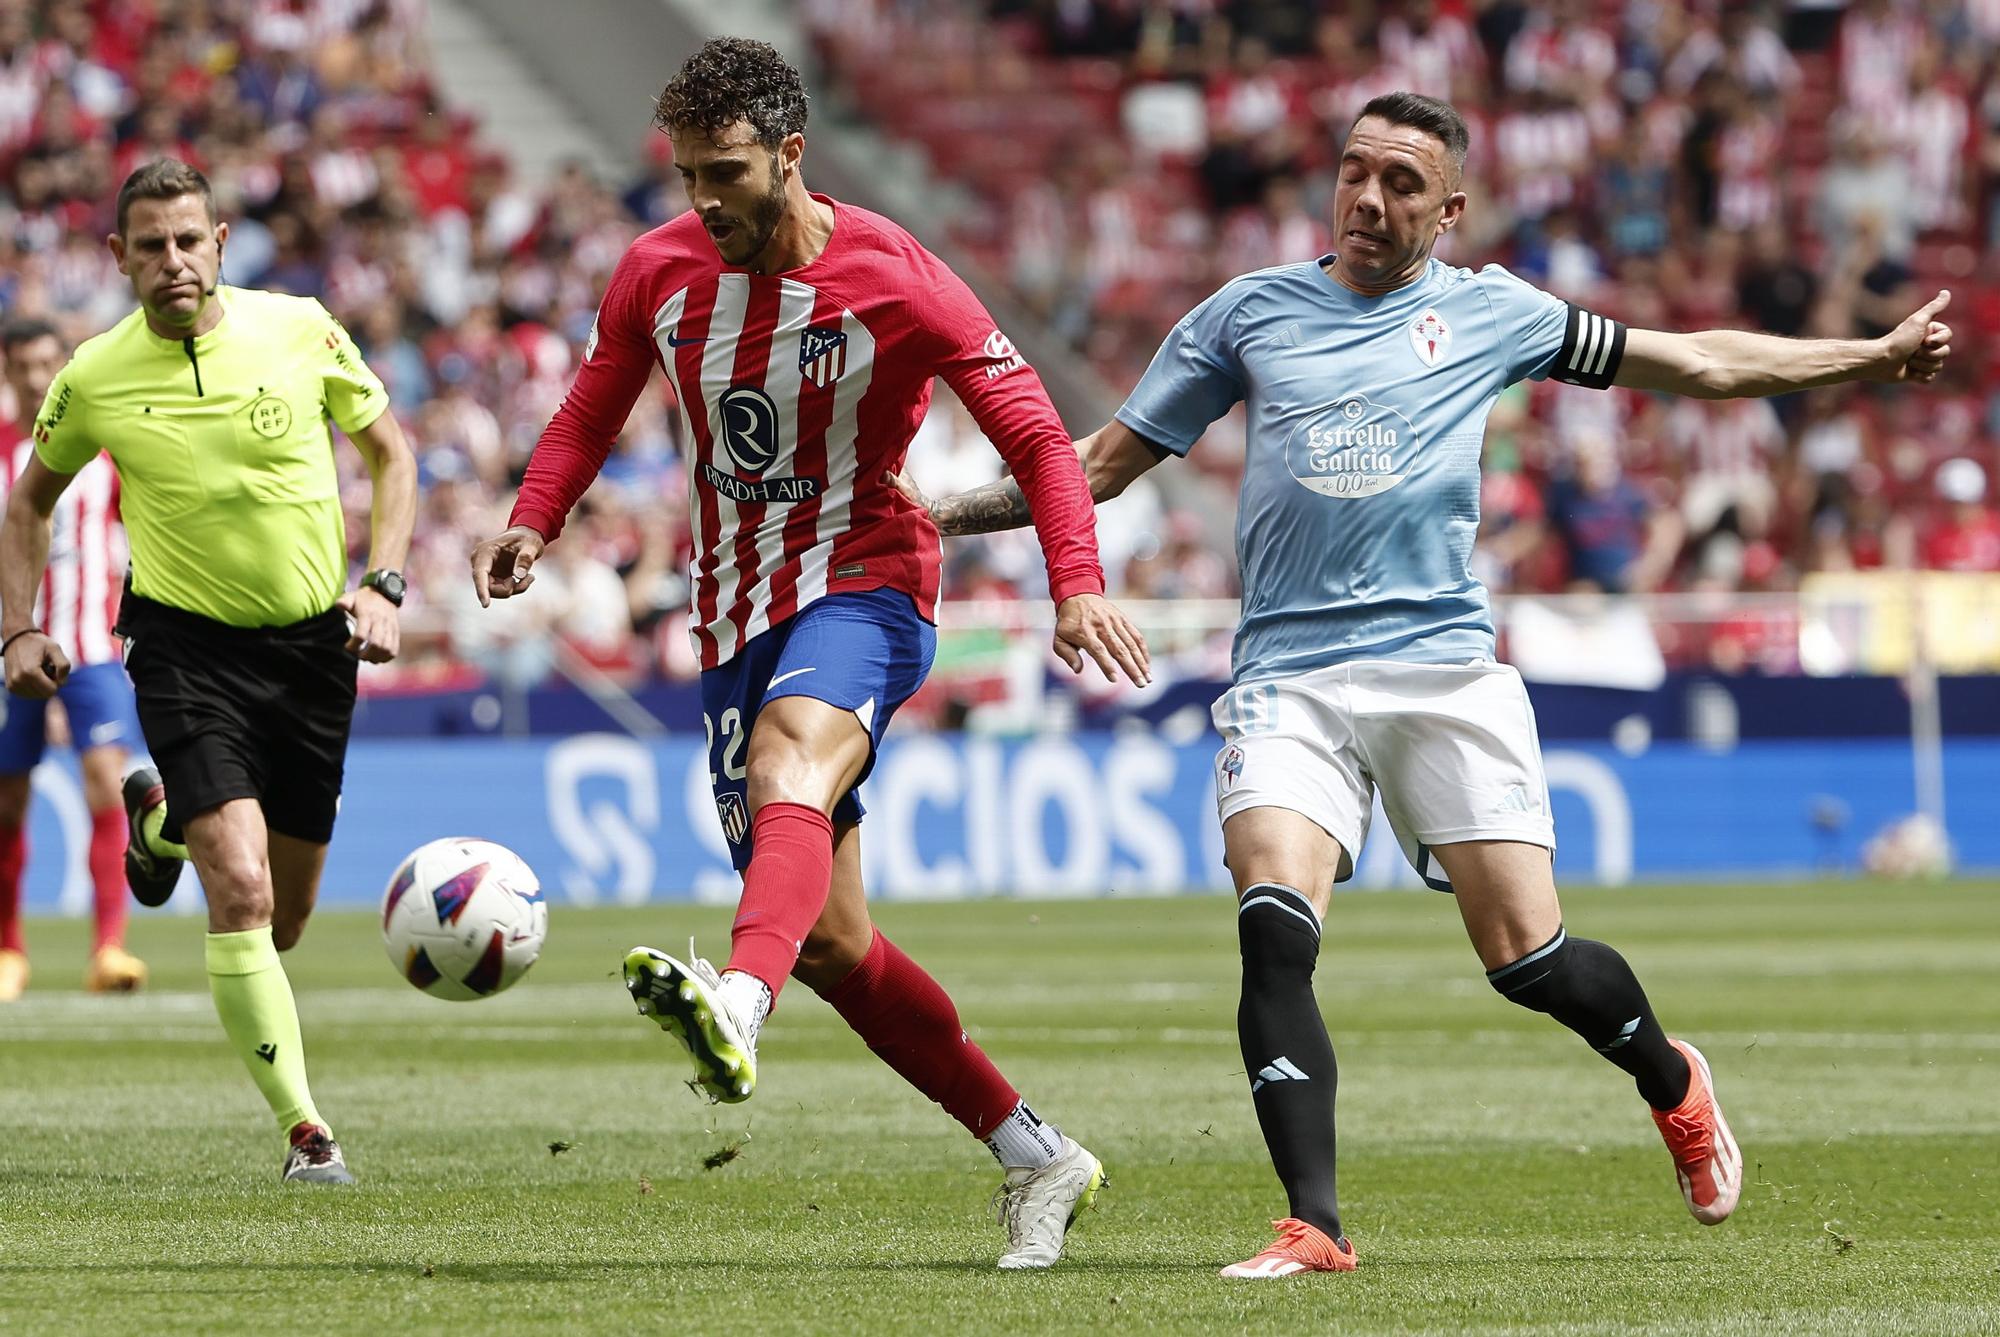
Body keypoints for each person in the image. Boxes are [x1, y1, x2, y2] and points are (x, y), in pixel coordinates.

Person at [904, 91, 1953, 1277]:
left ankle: (1672, 1076)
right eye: (1353, 171)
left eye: (1401, 184)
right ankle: (1315, 1224)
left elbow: (1697, 361)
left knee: (1527, 959)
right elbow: (1094, 463)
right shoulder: (1247, 313)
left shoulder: (1494, 312)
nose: (1366, 197)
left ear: (1448, 211)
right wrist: (933, 512)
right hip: (1286, 676)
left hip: (1441, 669)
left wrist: (1866, 356)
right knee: (1271, 925)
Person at [469, 38, 1149, 1270]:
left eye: (726, 171)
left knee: (793, 759)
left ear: (792, 153)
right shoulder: (657, 271)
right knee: (836, 941)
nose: (705, 200)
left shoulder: (900, 275)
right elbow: (591, 401)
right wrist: (533, 517)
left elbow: (1042, 437)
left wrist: (1074, 584)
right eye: (686, 175)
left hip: (867, 581)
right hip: (731, 611)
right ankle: (1037, 1155)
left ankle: (735, 1004)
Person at [0, 160, 417, 1185]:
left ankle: (157, 821)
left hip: (317, 648)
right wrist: (16, 629)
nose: (172, 262)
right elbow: (27, 504)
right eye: (150, 246)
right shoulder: (93, 373)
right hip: (184, 647)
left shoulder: (302, 329)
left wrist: (387, 586)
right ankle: (306, 1130)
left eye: (189, 241)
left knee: (285, 918)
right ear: (119, 257)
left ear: (221, 241)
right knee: (238, 886)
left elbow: (392, 455)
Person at [0, 318, 147, 999]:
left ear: (63, 368)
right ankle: (9, 951)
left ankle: (109, 948)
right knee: (8, 803)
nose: (34, 378)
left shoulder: (104, 450)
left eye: (44, 365)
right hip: (11, 651)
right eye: (22, 366)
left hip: (90, 650)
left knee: (106, 784)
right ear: (7, 372)